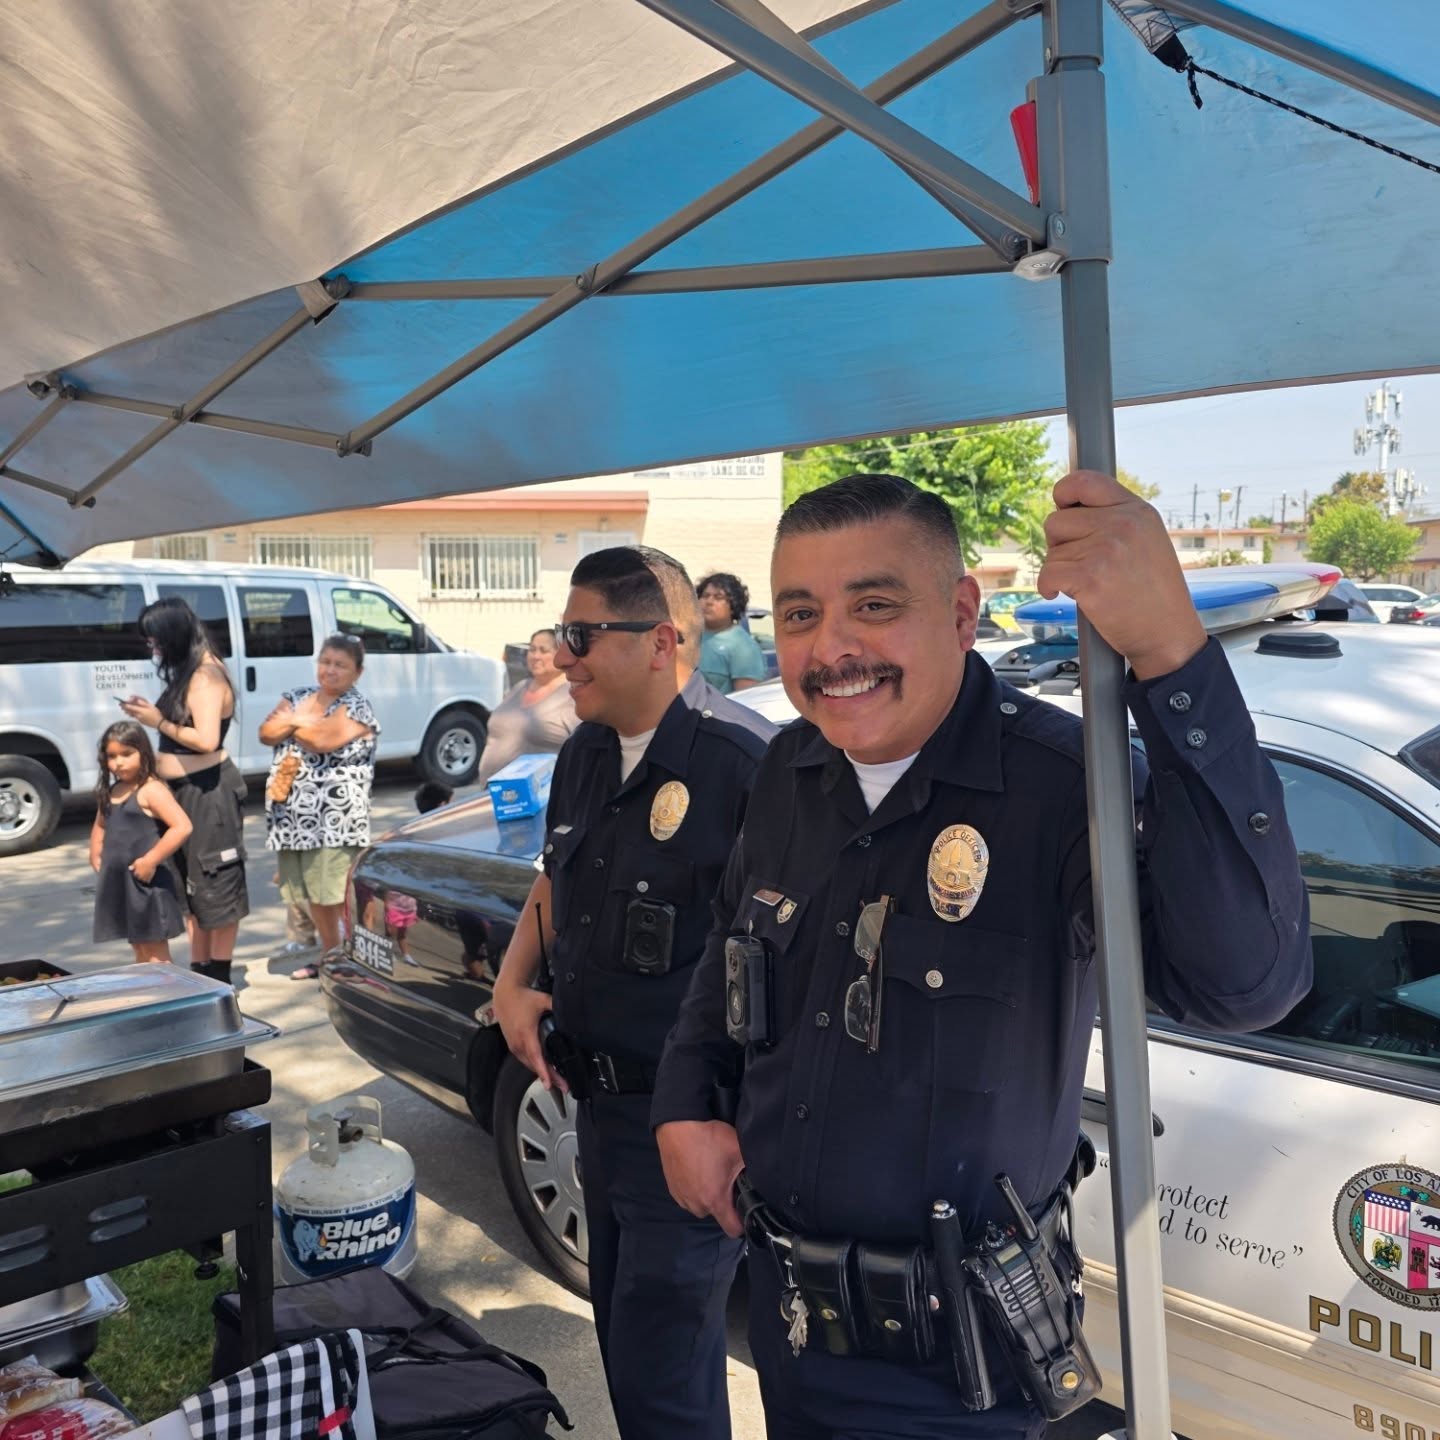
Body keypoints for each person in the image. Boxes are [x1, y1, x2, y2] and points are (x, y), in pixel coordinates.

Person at [652, 472, 1312, 1440]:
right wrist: (683, 1103)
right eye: (801, 613)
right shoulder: (787, 774)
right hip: (791, 1332)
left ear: (962, 612)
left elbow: (1245, 983)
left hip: (965, 1374)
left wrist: (1171, 656)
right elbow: (731, 954)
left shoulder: (1063, 785)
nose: (832, 648)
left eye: (874, 606)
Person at [491, 546, 776, 1440]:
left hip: (688, 1122)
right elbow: (555, 880)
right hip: (595, 1114)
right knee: (626, 1351)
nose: (562, 653)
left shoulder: (745, 766)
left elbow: (785, 961)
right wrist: (510, 982)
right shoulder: (583, 754)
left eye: (582, 634)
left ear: (660, 641)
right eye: (562, 632)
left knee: (668, 1386)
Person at [122, 596, 247, 984]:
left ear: (175, 635)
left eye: (156, 639)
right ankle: (201, 974)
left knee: (216, 886)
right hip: (182, 791)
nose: (152, 647)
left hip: (207, 792)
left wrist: (158, 721)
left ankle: (219, 978)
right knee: (193, 891)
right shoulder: (189, 671)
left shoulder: (207, 675)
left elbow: (207, 739)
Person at [259, 633, 380, 980]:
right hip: (293, 819)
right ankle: (330, 957)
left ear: (357, 672)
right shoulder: (297, 696)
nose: (330, 670)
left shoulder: (357, 706)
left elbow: (322, 740)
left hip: (334, 820)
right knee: (311, 894)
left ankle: (354, 960)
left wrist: (293, 722)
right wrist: (302, 720)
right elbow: (266, 732)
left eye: (340, 665)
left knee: (335, 894)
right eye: (325, 662)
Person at [90, 720, 192, 963]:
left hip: (148, 885)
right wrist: (95, 851)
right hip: (123, 883)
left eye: (127, 754)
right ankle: (148, 996)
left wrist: (151, 860)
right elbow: (101, 825)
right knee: (139, 948)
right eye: (112, 756)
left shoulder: (151, 790)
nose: (119, 762)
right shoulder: (112, 791)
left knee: (156, 953)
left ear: (143, 752)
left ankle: (168, 997)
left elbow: (182, 826)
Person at [477, 628, 578, 783]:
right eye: (532, 649)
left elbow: (581, 751)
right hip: (492, 791)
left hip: (538, 798)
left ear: (561, 654)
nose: (536, 656)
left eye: (544, 651)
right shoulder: (520, 687)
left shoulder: (571, 696)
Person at [696, 572, 767, 694]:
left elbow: (746, 699)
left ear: (733, 606)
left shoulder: (743, 647)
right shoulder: (689, 636)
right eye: (705, 595)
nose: (709, 602)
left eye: (718, 597)